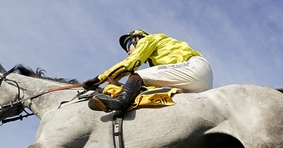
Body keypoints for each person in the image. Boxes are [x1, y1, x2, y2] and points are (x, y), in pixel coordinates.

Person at [82, 30, 213, 112]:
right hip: (200, 80)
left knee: (137, 75)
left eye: (128, 45)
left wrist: (99, 79)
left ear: (137, 39)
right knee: (145, 90)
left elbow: (129, 64)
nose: (128, 51)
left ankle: (121, 102)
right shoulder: (156, 61)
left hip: (194, 68)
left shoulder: (147, 39)